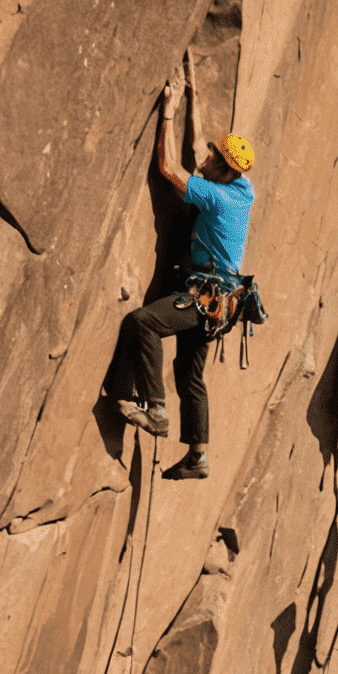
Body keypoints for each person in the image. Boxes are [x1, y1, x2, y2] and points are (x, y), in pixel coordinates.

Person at [107, 52, 256, 481]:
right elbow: (197, 151)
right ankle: (198, 455)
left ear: (224, 174)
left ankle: (156, 412)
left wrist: (167, 115)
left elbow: (169, 167)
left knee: (143, 324)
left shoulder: (218, 196)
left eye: (213, 162)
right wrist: (193, 88)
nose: (205, 160)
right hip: (221, 303)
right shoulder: (242, 189)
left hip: (204, 295)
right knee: (189, 376)